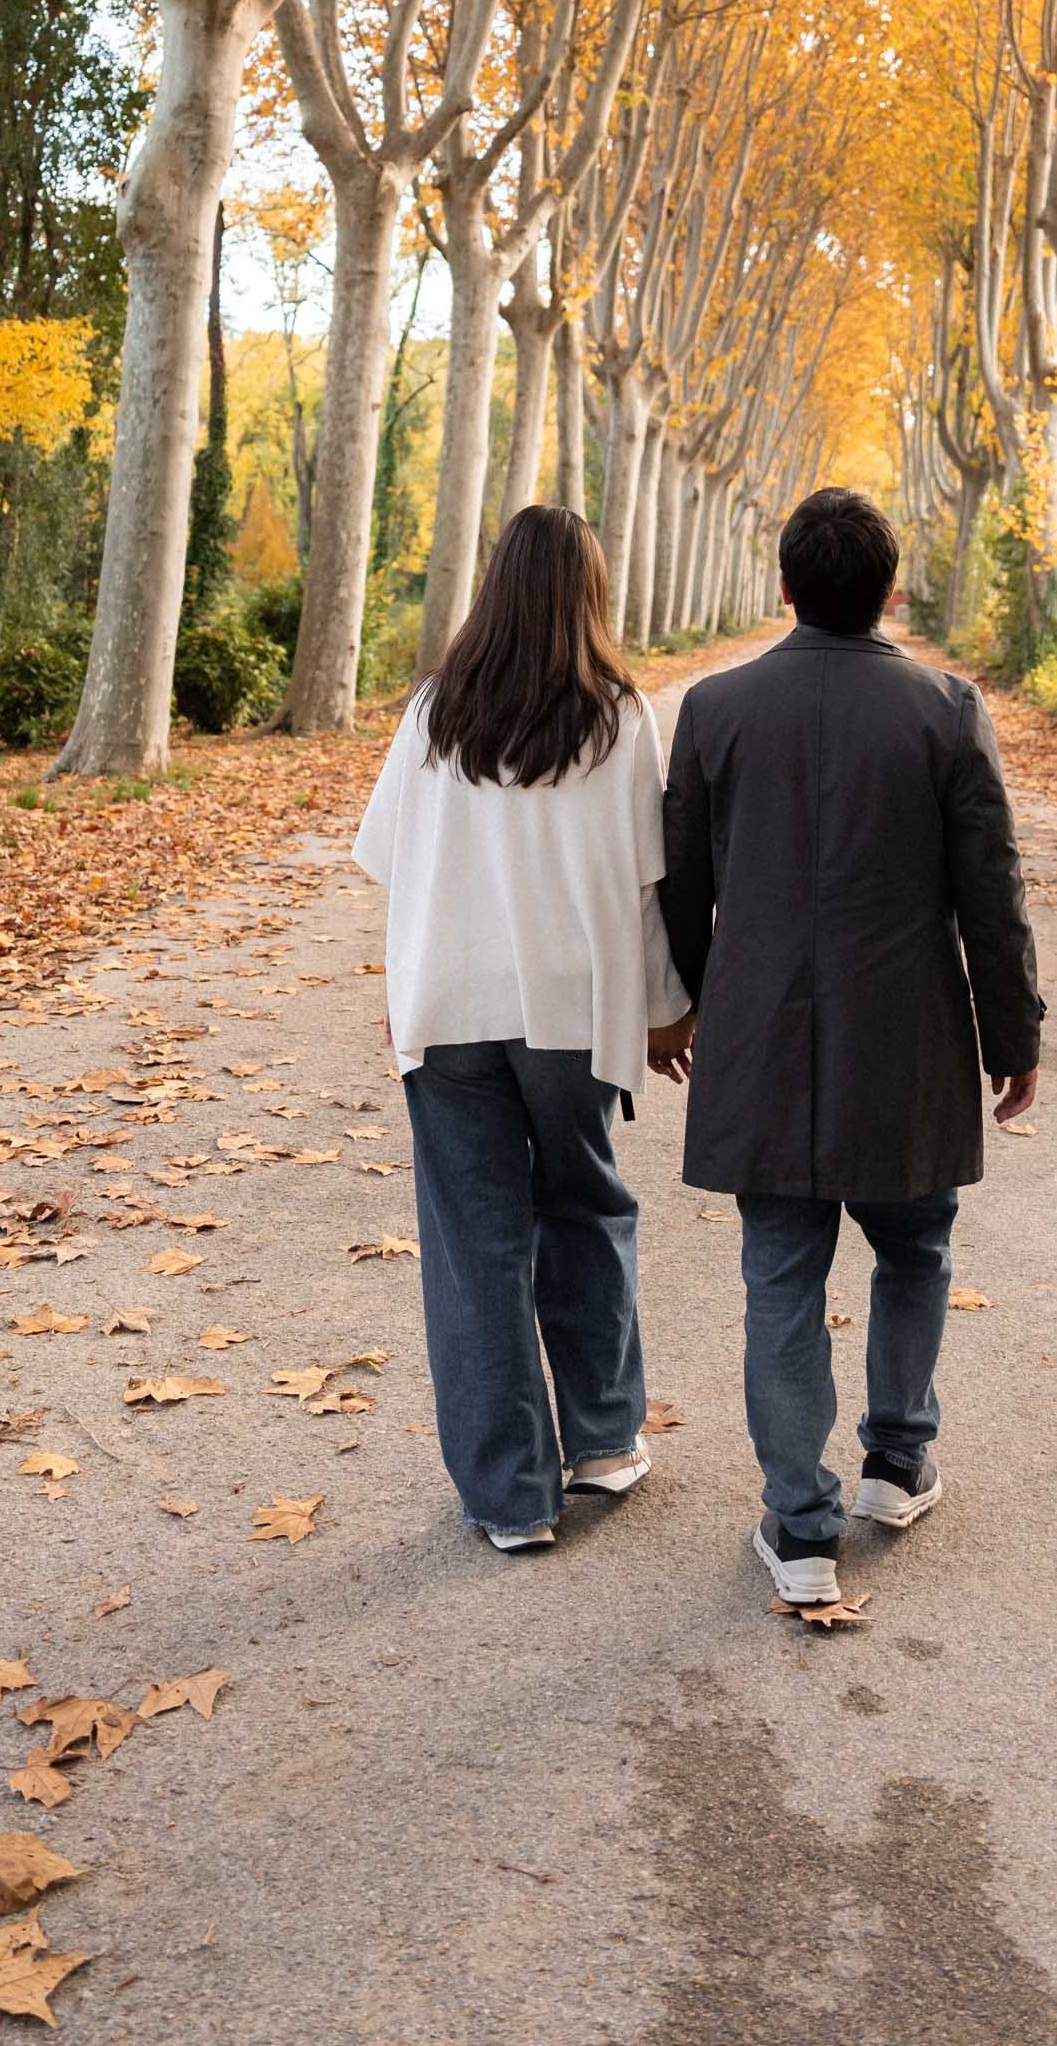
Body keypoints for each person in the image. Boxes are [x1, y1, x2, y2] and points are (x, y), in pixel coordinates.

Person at [658, 486, 1044, 1606]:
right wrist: (1012, 1033)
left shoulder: (715, 708)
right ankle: (895, 1460)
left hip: (761, 1039)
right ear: (890, 589)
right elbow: (992, 892)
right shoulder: (944, 708)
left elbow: (680, 881)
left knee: (778, 1277)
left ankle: (799, 1527)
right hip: (906, 1045)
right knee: (913, 1251)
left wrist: (675, 1006)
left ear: (784, 587)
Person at [351, 505, 691, 1554]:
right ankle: (601, 1439)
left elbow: (383, 859)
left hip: (447, 1004)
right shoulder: (615, 717)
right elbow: (645, 885)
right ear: (588, 593)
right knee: (584, 1204)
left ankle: (509, 1500)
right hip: (567, 1008)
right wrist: (668, 1012)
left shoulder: (432, 714)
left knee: (474, 1243)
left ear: (491, 585)